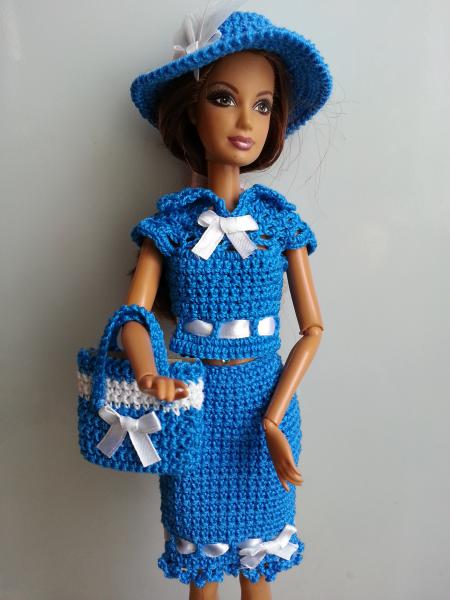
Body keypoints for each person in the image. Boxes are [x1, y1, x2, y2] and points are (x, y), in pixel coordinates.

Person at [120, 6, 332, 600]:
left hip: (266, 410)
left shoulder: (280, 224)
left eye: (262, 105)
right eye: (224, 98)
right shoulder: (169, 227)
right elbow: (134, 316)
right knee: (203, 565)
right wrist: (149, 372)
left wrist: (274, 415)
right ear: (192, 108)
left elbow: (312, 329)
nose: (245, 121)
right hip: (193, 407)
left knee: (257, 569)